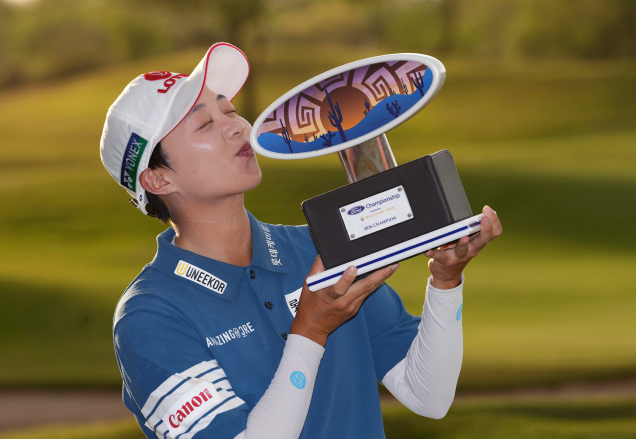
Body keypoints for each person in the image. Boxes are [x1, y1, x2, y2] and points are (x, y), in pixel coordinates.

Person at [100, 43, 502, 439]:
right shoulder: (149, 316)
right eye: (204, 124)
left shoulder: (319, 249)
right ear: (157, 179)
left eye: (230, 111)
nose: (238, 126)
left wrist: (446, 281)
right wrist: (310, 329)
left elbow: (428, 395)